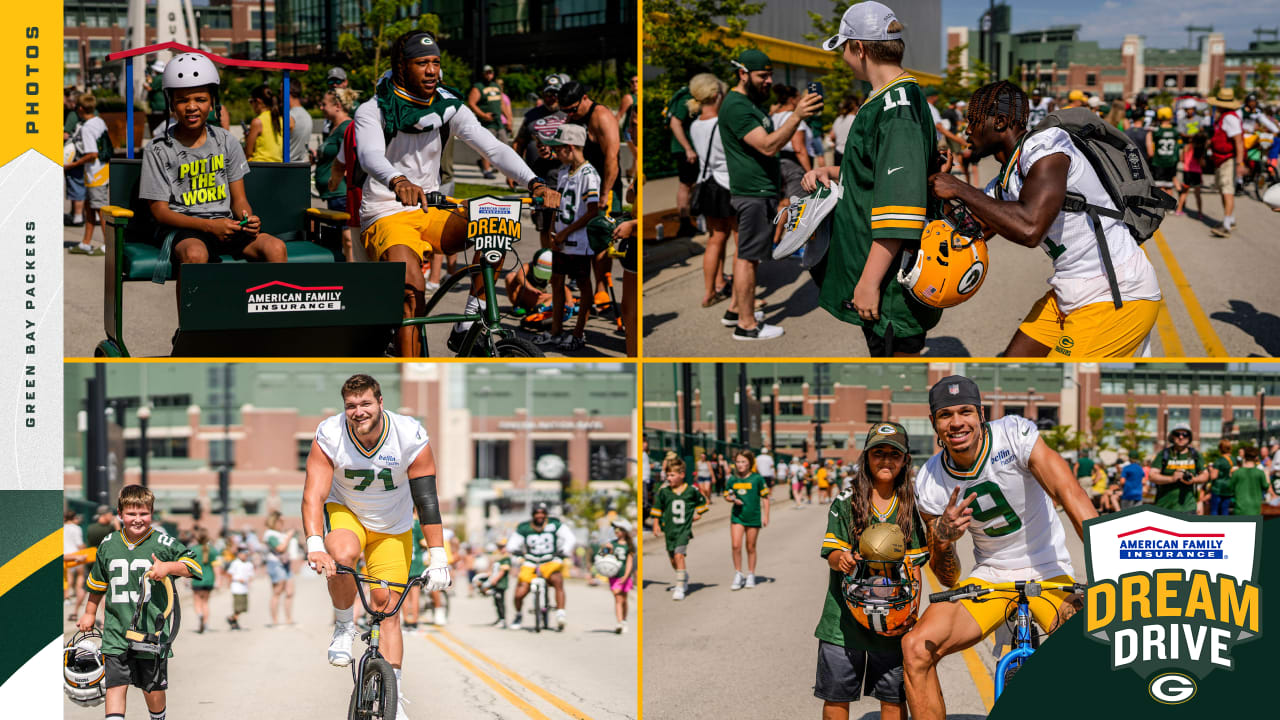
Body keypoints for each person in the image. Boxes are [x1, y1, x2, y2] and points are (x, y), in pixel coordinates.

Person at [345, 31, 559, 356]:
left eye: (435, 62)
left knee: (496, 220)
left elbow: (493, 147)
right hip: (387, 214)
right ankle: (413, 373)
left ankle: (468, 322)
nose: (431, 70)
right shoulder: (373, 110)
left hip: (432, 208)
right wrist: (397, 180)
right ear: (402, 67)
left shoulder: (447, 106)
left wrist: (534, 182)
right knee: (412, 294)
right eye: (422, 63)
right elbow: (370, 156)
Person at [900, 376, 1096, 720]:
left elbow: (1070, 494)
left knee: (1099, 649)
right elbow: (947, 578)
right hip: (990, 577)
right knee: (916, 648)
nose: (956, 422)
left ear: (981, 414)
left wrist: (1108, 565)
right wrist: (943, 539)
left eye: (965, 412)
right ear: (934, 423)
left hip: (1049, 571)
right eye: (945, 415)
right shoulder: (930, 479)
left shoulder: (1013, 433)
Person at [928, 80, 1161, 358]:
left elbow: (1030, 229)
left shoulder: (1048, 147)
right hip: (1071, 291)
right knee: (1009, 366)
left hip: (1116, 294)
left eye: (974, 121)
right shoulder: (1005, 181)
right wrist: (936, 185)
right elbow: (968, 228)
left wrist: (960, 188)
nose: (966, 131)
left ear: (1000, 122)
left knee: (1065, 389)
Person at [301, 374, 451, 720]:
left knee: (388, 608)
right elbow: (313, 494)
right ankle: (342, 626)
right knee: (342, 556)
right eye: (351, 405)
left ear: (381, 402)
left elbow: (427, 500)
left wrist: (439, 556)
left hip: (393, 525)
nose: (358, 411)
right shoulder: (331, 433)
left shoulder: (409, 435)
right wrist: (313, 544)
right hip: (347, 512)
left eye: (365, 403)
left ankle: (393, 694)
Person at [803, 3, 939, 356]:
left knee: (894, 357)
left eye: (845, 49)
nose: (844, 58)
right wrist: (831, 172)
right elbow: (876, 172)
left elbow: (902, 204)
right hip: (879, 270)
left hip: (890, 285)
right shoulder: (889, 98)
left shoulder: (896, 105)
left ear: (859, 48)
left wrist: (869, 282)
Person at [139, 54, 288, 313]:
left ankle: (273, 328)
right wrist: (209, 226)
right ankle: (192, 332)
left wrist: (247, 219)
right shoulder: (158, 148)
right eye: (183, 100)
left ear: (212, 103)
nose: (192, 106)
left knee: (275, 247)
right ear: (171, 104)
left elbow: (239, 199)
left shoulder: (226, 141)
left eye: (200, 99)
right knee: (196, 255)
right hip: (184, 229)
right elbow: (160, 211)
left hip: (226, 225)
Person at [815, 422, 927, 720]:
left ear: (905, 460)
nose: (886, 460)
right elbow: (831, 552)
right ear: (866, 457)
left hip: (892, 616)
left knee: (892, 698)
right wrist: (843, 558)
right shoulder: (846, 501)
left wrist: (910, 615)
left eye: (894, 453)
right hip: (843, 619)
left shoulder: (910, 506)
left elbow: (916, 566)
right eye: (879, 452)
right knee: (836, 697)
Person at [721, 48, 822, 340]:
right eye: (762, 75)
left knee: (748, 256)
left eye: (770, 75)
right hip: (752, 192)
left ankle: (735, 312)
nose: (768, 81)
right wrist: (796, 116)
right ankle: (747, 325)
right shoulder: (738, 106)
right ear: (743, 73)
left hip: (759, 190)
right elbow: (766, 145)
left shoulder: (750, 104)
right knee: (748, 258)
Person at [78, 485, 201, 720]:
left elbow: (194, 566)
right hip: (115, 631)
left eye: (143, 513)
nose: (137, 519)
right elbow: (98, 583)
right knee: (115, 684)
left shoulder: (163, 543)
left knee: (152, 687)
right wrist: (89, 612)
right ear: (120, 513)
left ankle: (158, 717)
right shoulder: (108, 543)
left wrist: (168, 567)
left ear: (151, 513)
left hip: (150, 632)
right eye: (131, 514)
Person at [532, 123, 599, 352]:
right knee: (556, 283)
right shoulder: (563, 172)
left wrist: (565, 232)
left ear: (570, 148)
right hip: (560, 241)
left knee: (583, 285)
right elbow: (558, 205)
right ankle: (556, 330)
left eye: (558, 149)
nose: (555, 153)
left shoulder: (589, 175)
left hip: (578, 244)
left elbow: (592, 212)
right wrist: (553, 230)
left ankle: (579, 332)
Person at [558, 81, 623, 308]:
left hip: (604, 184)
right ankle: (583, 282)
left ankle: (602, 289)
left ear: (585, 98)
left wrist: (605, 193)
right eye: (565, 111)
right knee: (580, 232)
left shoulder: (601, 116)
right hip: (582, 183)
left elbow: (612, 158)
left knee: (600, 238)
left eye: (573, 109)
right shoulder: (573, 116)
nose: (570, 115)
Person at [687, 73, 736, 309]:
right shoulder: (723, 122)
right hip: (728, 184)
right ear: (717, 95)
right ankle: (738, 294)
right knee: (740, 239)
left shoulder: (695, 125)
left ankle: (709, 291)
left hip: (707, 185)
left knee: (715, 239)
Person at [506, 502, 576, 630]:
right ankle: (518, 614)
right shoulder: (524, 527)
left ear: (546, 514)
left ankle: (561, 614)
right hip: (530, 561)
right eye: (537, 513)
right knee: (520, 591)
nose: (539, 516)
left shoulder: (554, 524)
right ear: (532, 514)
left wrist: (564, 551)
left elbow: (570, 538)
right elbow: (511, 544)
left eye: (542, 513)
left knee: (557, 580)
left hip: (550, 560)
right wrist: (516, 552)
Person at [651, 456, 708, 601]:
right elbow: (658, 508)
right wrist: (656, 524)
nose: (669, 478)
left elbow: (703, 502)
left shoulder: (691, 491)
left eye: (672, 475)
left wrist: (699, 514)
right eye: (667, 475)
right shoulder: (664, 492)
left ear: (682, 475)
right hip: (669, 530)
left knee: (679, 555)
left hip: (684, 530)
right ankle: (683, 576)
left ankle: (680, 586)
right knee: (672, 559)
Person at [66, 93, 110, 256]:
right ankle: (85, 243)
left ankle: (108, 245)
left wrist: (72, 165)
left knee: (100, 210)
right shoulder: (99, 121)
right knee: (89, 208)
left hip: (95, 173)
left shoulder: (86, 128)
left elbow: (92, 154)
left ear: (81, 108)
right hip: (101, 170)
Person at [318, 88, 358, 259]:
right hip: (333, 193)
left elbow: (353, 155)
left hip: (341, 192)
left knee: (347, 237)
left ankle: (351, 274)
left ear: (337, 106)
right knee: (340, 238)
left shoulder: (346, 127)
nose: (320, 107)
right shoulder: (334, 128)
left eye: (324, 104)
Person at [725, 448, 769, 590]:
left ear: (750, 463)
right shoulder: (732, 479)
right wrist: (732, 499)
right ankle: (738, 573)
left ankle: (751, 574)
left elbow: (765, 497)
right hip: (737, 516)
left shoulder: (757, 479)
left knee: (750, 547)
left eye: (743, 461)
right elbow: (727, 495)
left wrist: (766, 515)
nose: (740, 464)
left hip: (753, 517)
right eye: (738, 461)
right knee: (736, 545)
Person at [1206, 88, 1246, 237]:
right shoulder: (1224, 117)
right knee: (1224, 189)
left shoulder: (1230, 118)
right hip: (1221, 158)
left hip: (1228, 159)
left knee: (1227, 190)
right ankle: (1230, 219)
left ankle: (1227, 225)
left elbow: (1238, 141)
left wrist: (1240, 163)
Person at [665, 81, 702, 238]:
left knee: (692, 185)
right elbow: (675, 123)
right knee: (685, 185)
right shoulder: (686, 99)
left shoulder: (693, 96)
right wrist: (688, 148)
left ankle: (693, 219)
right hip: (686, 150)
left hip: (692, 149)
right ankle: (685, 223)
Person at [1149, 424, 1208, 514]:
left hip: (1188, 507)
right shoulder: (1164, 454)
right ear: (1172, 436)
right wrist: (1171, 478)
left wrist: (1193, 480)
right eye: (1177, 434)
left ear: (1189, 437)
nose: (1181, 437)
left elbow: (1205, 475)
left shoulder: (1195, 454)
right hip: (1164, 506)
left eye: (1185, 434)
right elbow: (1152, 476)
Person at [468, 64, 506, 178]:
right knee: (487, 146)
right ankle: (486, 169)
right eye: (487, 72)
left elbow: (502, 104)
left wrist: (509, 119)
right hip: (486, 122)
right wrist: (483, 115)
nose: (489, 75)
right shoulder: (478, 86)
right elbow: (471, 103)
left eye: (491, 72)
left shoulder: (496, 86)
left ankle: (497, 166)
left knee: (504, 144)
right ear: (483, 74)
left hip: (498, 121)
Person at [262, 510, 296, 626]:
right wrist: (288, 537)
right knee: (277, 592)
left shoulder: (280, 533)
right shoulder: (270, 534)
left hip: (286, 564)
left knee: (290, 592)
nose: (283, 523)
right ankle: (275, 620)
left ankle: (289, 619)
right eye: (281, 520)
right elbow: (280, 548)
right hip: (276, 564)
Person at [603, 519, 636, 634]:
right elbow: (603, 556)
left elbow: (629, 562)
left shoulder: (629, 546)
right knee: (618, 598)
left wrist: (626, 575)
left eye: (619, 529)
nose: (616, 531)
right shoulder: (612, 543)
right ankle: (619, 622)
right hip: (614, 575)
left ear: (625, 531)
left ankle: (624, 620)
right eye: (615, 529)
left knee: (624, 599)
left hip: (624, 575)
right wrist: (606, 549)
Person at [245, 84, 289, 162]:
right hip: (278, 166)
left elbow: (248, 152)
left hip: (260, 166)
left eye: (251, 101)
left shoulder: (257, 122)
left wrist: (247, 138)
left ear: (258, 101)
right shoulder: (281, 120)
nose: (251, 105)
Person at [64, 86, 87, 227]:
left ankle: (77, 216)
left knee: (75, 183)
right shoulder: (93, 112)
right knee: (82, 185)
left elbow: (65, 133)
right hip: (87, 154)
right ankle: (78, 214)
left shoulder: (73, 115)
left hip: (75, 155)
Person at [1146, 106, 1181, 200]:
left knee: (1160, 185)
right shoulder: (1175, 131)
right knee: (1169, 185)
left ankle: (1162, 206)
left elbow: (1150, 150)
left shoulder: (1156, 131)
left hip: (1159, 161)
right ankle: (1170, 205)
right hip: (1171, 160)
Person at [478, 542, 512, 627]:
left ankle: (503, 620)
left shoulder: (506, 558)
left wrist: (495, 579)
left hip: (501, 583)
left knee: (500, 602)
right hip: (495, 583)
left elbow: (503, 571)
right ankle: (499, 618)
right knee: (496, 602)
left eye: (502, 547)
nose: (501, 549)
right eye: (499, 547)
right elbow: (493, 570)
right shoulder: (498, 557)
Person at [189, 527, 216, 633]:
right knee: (205, 602)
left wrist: (187, 580)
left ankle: (199, 614)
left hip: (197, 579)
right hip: (209, 579)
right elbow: (217, 567)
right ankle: (206, 624)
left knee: (197, 601)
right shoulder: (212, 550)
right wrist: (218, 580)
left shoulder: (193, 550)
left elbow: (189, 567)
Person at [1229, 446, 1270, 516]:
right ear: (1256, 458)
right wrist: (1267, 475)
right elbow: (1266, 487)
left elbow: (1230, 489)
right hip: (1255, 510)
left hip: (1240, 510)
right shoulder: (1260, 473)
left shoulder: (1237, 472)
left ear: (1244, 456)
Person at [64, 509, 88, 619]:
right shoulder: (76, 528)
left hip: (66, 555)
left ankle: (67, 597)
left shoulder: (62, 528)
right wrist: (85, 549)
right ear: (74, 518)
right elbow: (79, 544)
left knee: (68, 577)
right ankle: (79, 594)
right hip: (76, 555)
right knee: (80, 576)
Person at [226, 547, 254, 629]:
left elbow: (250, 575)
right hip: (236, 587)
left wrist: (249, 582)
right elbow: (229, 574)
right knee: (238, 607)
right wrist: (237, 579)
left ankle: (233, 619)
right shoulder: (235, 563)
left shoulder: (249, 564)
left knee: (243, 608)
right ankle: (232, 620)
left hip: (244, 588)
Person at [1208, 439, 1236, 516]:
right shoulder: (1234, 460)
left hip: (1218, 489)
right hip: (1229, 488)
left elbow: (1213, 476)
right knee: (1225, 510)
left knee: (1214, 510)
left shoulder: (1219, 461)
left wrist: (1210, 470)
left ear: (1220, 448)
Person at [829, 96, 859, 167]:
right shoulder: (856, 120)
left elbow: (832, 136)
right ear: (855, 106)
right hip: (852, 155)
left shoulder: (838, 119)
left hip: (838, 154)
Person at [289, 84, 314, 163]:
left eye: (280, 91)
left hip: (287, 166)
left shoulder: (290, 116)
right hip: (300, 164)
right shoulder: (307, 115)